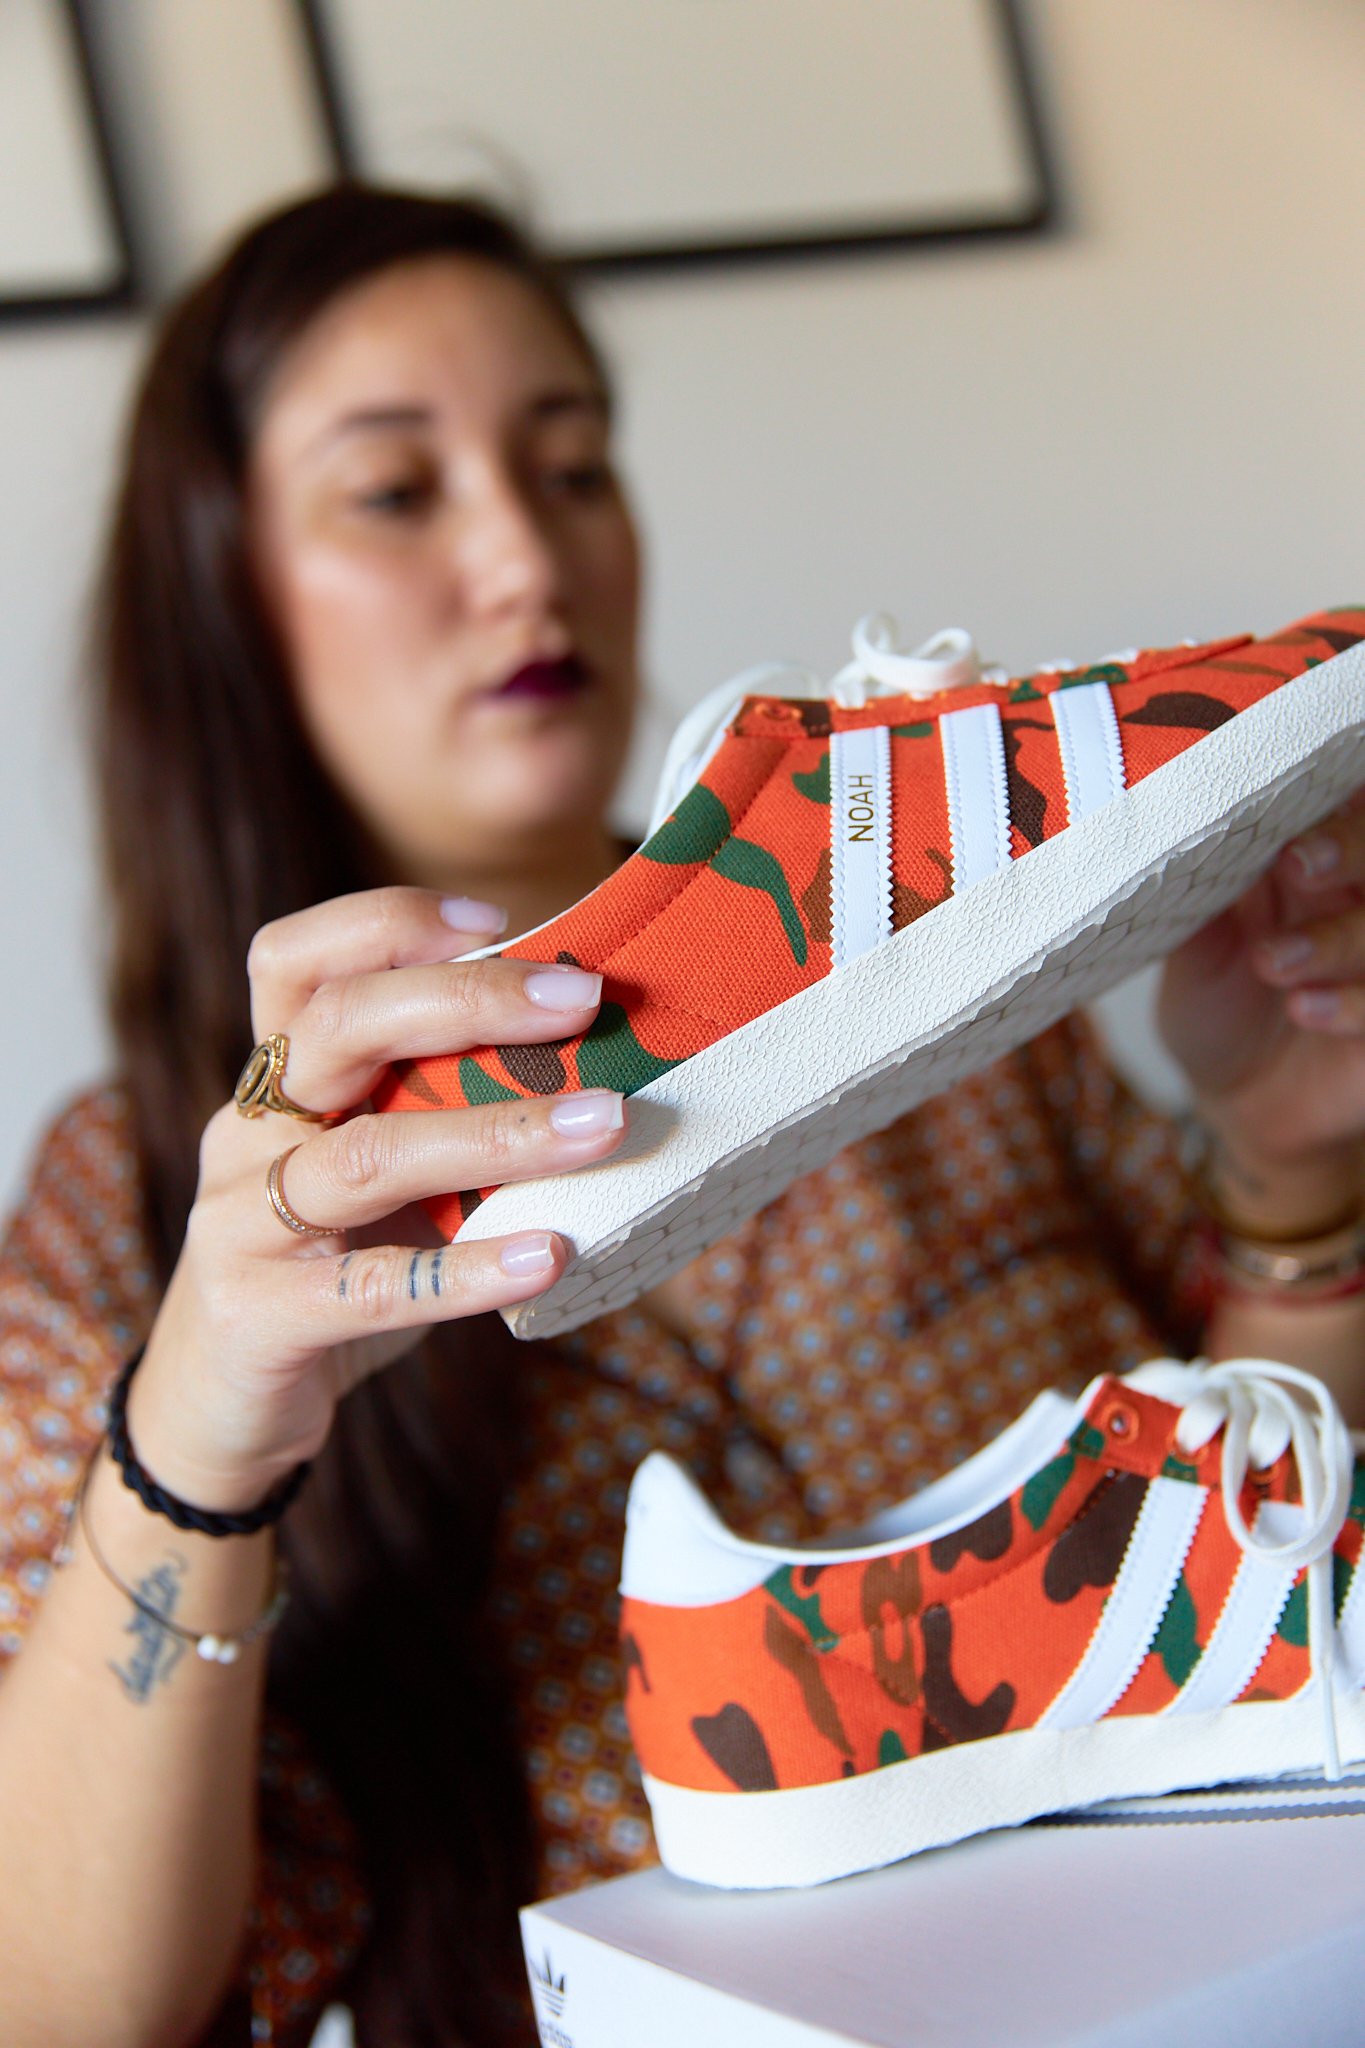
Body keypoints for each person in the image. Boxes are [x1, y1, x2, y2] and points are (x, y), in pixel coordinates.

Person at [1, 185, 1363, 2048]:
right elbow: (63, 2011)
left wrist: (1292, 1166)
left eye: (571, 464)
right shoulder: (139, 1195)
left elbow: (1260, 1570)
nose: (526, 560)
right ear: (224, 589)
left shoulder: (957, 971)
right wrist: (197, 1440)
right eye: (398, 491)